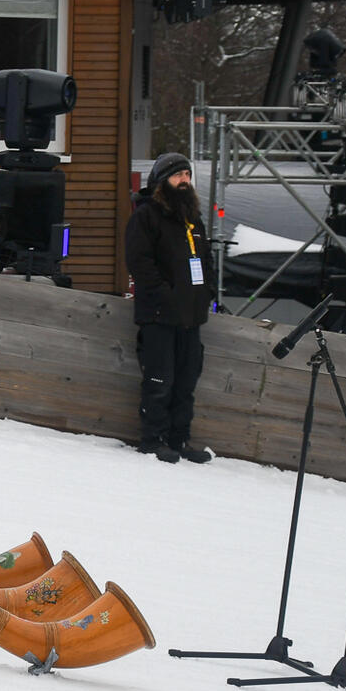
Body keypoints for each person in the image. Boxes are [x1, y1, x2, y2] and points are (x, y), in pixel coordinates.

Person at [125, 153, 215, 465]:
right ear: (162, 181)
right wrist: (166, 295)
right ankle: (153, 439)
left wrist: (207, 293)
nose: (184, 180)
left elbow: (206, 259)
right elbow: (139, 262)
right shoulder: (146, 216)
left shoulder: (193, 218)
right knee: (159, 380)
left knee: (186, 381)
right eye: (178, 175)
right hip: (159, 315)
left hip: (191, 317)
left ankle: (179, 439)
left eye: (187, 174)